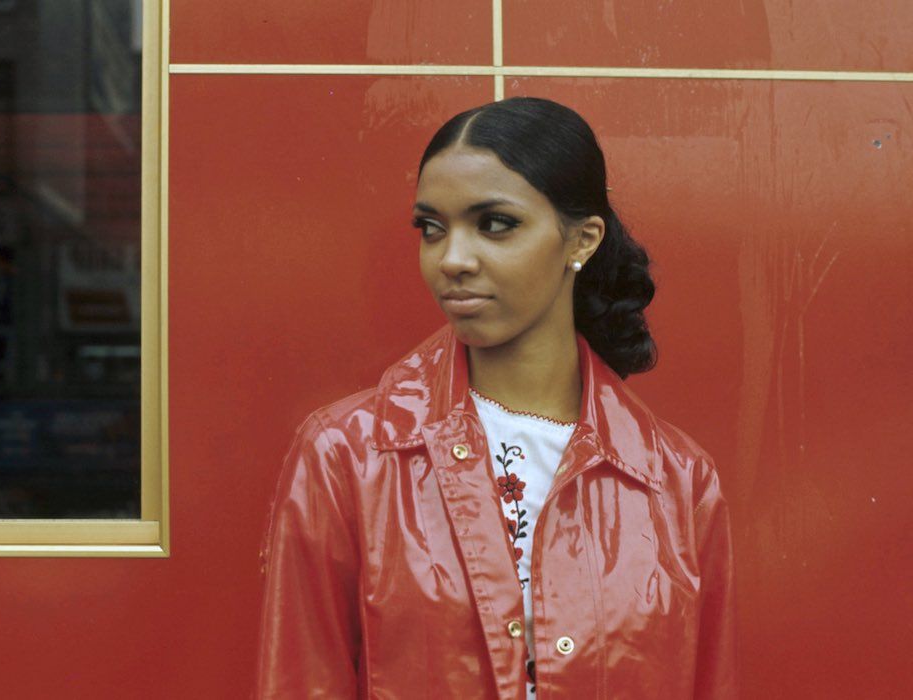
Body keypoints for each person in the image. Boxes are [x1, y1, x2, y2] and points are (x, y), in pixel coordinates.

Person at [254, 96, 738, 699]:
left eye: (495, 224)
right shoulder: (347, 456)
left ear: (581, 240)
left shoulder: (678, 482)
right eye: (432, 229)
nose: (452, 259)